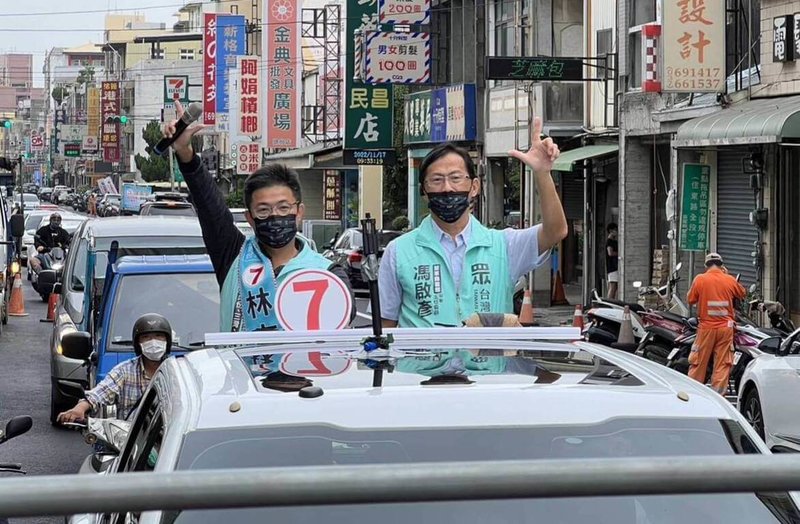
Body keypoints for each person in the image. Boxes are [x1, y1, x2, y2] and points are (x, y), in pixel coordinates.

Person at [162, 100, 354, 332]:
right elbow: (210, 206)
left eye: (283, 208)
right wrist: (185, 153)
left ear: (299, 212)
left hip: (298, 369)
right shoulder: (234, 257)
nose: (274, 216)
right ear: (250, 218)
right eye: (264, 210)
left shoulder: (327, 273)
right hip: (240, 368)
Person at [378, 117, 568, 328]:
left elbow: (555, 231)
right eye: (437, 180)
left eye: (456, 178)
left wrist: (542, 173)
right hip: (422, 361)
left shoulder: (503, 246)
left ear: (474, 187)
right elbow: (386, 324)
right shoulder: (398, 251)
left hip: (488, 360)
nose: (448, 188)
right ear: (424, 191)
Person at [57, 313, 173, 423]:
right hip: (128, 440)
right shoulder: (125, 370)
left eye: (159, 336)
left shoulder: (177, 371)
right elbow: (102, 392)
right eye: (146, 337)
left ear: (167, 341)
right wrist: (80, 408)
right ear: (138, 343)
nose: (153, 342)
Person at [686, 253, 746, 395]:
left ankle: (693, 393)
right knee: (723, 364)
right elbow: (742, 293)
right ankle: (718, 395)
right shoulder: (729, 280)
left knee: (698, 362)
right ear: (721, 265)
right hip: (726, 329)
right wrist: (727, 275)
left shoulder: (700, 279)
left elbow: (690, 299)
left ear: (706, 266)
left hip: (706, 328)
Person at [606, 223, 619, 299]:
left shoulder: (613, 241)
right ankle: (609, 303)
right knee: (613, 286)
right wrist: (619, 253)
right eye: (615, 230)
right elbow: (610, 253)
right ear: (611, 230)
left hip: (614, 266)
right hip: (612, 267)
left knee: (614, 286)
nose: (617, 232)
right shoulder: (609, 241)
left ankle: (610, 301)